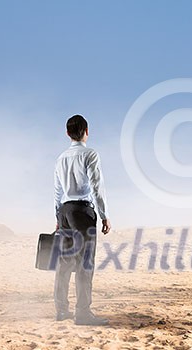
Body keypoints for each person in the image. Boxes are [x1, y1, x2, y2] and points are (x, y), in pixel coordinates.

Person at [53, 114, 111, 325]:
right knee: (85, 264)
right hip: (82, 212)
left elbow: (57, 191)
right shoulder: (90, 154)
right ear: (87, 132)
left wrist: (58, 217)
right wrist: (104, 215)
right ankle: (83, 313)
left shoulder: (60, 158)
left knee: (64, 263)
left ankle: (61, 310)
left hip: (65, 211)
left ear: (68, 133)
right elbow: (96, 186)